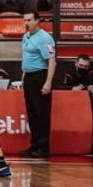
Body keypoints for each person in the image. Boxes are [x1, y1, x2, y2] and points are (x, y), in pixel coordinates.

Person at [20, 11, 56, 158]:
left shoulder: (45, 38)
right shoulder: (26, 36)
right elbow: (27, 57)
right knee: (32, 113)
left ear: (37, 21)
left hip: (40, 76)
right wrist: (24, 75)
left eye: (29, 20)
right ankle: (34, 144)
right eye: (25, 20)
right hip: (29, 76)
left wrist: (48, 82)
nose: (26, 23)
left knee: (41, 113)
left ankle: (43, 147)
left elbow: (51, 61)